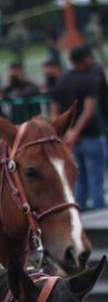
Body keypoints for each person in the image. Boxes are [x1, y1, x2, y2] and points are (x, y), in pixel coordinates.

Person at [50, 45, 105, 210]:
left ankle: (80, 215)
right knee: (96, 179)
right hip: (91, 134)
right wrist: (76, 132)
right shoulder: (89, 81)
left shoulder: (60, 83)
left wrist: (67, 133)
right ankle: (100, 215)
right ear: (84, 60)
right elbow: (88, 111)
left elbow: (54, 114)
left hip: (70, 141)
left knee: (78, 181)